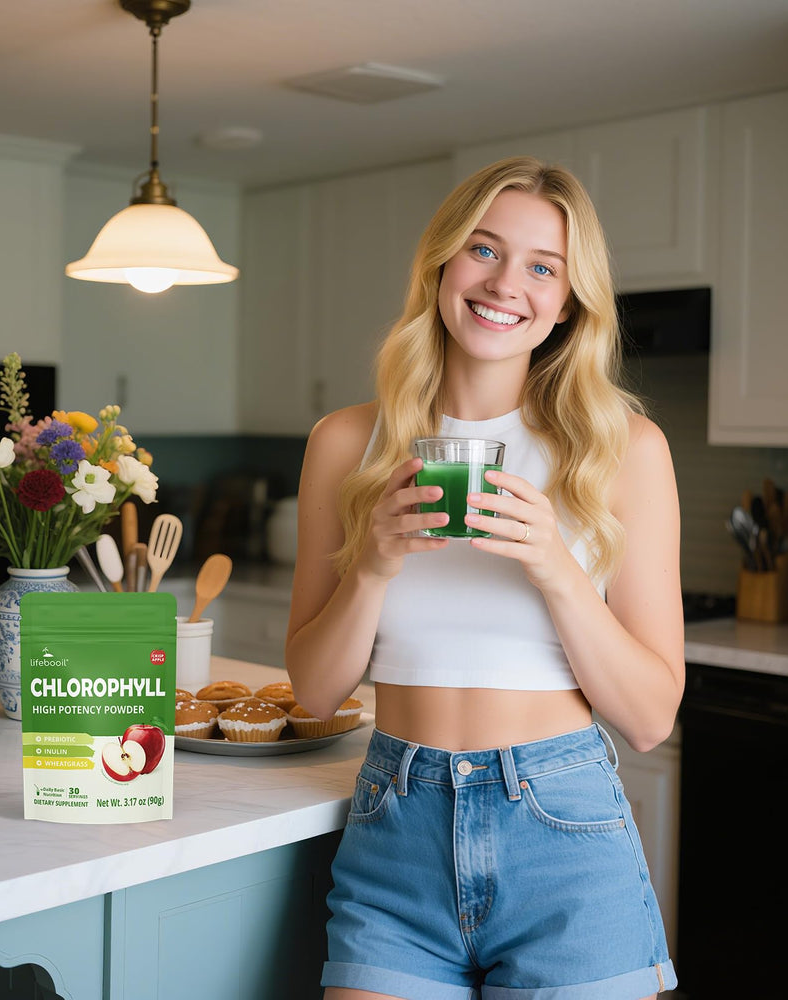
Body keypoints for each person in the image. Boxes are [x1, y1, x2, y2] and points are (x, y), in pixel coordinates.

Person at [285, 156, 683, 1000]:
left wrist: (555, 566)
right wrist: (375, 564)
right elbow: (316, 693)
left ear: (570, 302)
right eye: (484, 250)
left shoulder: (624, 451)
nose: (508, 284)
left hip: (565, 835)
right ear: (441, 263)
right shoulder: (343, 443)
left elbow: (650, 718)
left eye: (545, 267)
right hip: (395, 832)